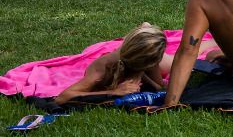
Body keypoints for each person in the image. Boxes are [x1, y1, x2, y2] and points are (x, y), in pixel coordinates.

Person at [53, 23, 221, 104]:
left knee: (179, 62)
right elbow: (63, 97)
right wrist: (114, 92)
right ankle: (144, 29)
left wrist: (145, 80)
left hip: (138, 58)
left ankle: (214, 42)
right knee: (169, 66)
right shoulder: (103, 69)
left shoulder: (146, 61)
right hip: (132, 58)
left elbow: (159, 87)